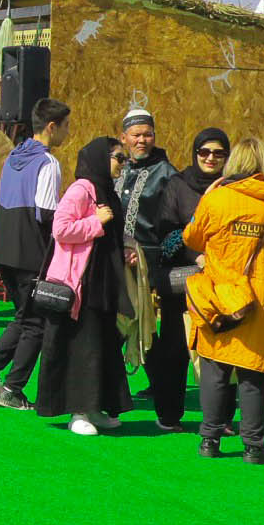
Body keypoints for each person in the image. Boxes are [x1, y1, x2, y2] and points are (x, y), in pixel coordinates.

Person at [183, 137, 264, 463]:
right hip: (262, 301)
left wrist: (205, 200)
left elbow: (192, 238)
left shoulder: (217, 199)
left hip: (222, 296)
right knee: (253, 376)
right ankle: (254, 446)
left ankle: (209, 440)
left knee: (215, 369)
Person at [0, 98, 72, 412]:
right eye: (66, 126)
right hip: (29, 250)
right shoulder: (48, 163)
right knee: (36, 323)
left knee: (24, 316)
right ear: (52, 127)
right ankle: (12, 389)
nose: (68, 132)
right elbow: (46, 213)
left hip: (4, 246)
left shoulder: (15, 154)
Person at [35, 137, 135, 436]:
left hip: (104, 281)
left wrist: (128, 248)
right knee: (81, 346)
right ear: (101, 158)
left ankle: (94, 407)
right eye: (119, 158)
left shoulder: (108, 192)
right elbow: (60, 229)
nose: (123, 164)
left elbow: (113, 232)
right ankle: (77, 411)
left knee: (101, 345)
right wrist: (96, 222)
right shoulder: (81, 189)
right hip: (81, 284)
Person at [144, 127, 231, 431]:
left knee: (223, 348)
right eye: (204, 152)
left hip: (222, 280)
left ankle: (221, 418)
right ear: (195, 154)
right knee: (175, 349)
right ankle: (169, 414)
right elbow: (166, 233)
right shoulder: (178, 185)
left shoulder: (232, 187)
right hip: (183, 280)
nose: (211, 158)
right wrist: (197, 256)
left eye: (218, 153)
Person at [112, 108, 187, 428]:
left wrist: (150, 257)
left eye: (148, 134)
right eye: (136, 135)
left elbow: (173, 224)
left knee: (148, 331)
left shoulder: (166, 173)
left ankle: (164, 399)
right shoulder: (119, 168)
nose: (142, 140)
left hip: (149, 267)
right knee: (115, 327)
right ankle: (109, 397)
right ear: (124, 137)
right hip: (116, 262)